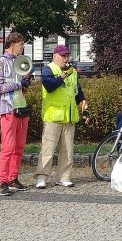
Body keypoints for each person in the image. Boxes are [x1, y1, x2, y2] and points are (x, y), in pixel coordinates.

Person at [34, 45, 88, 189]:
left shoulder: (73, 72)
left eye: (67, 56)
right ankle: (42, 177)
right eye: (63, 56)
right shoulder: (48, 69)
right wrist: (63, 75)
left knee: (67, 150)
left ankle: (64, 177)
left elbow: (77, 91)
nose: (66, 58)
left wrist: (83, 102)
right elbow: (49, 86)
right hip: (53, 116)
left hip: (69, 116)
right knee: (48, 149)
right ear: (55, 56)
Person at [0, 32, 33, 196]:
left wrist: (27, 83)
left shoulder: (19, 62)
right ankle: (3, 182)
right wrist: (18, 84)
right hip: (7, 109)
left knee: (19, 146)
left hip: (21, 107)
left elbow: (21, 85)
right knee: (8, 147)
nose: (22, 47)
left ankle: (13, 178)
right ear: (13, 44)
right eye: (21, 44)